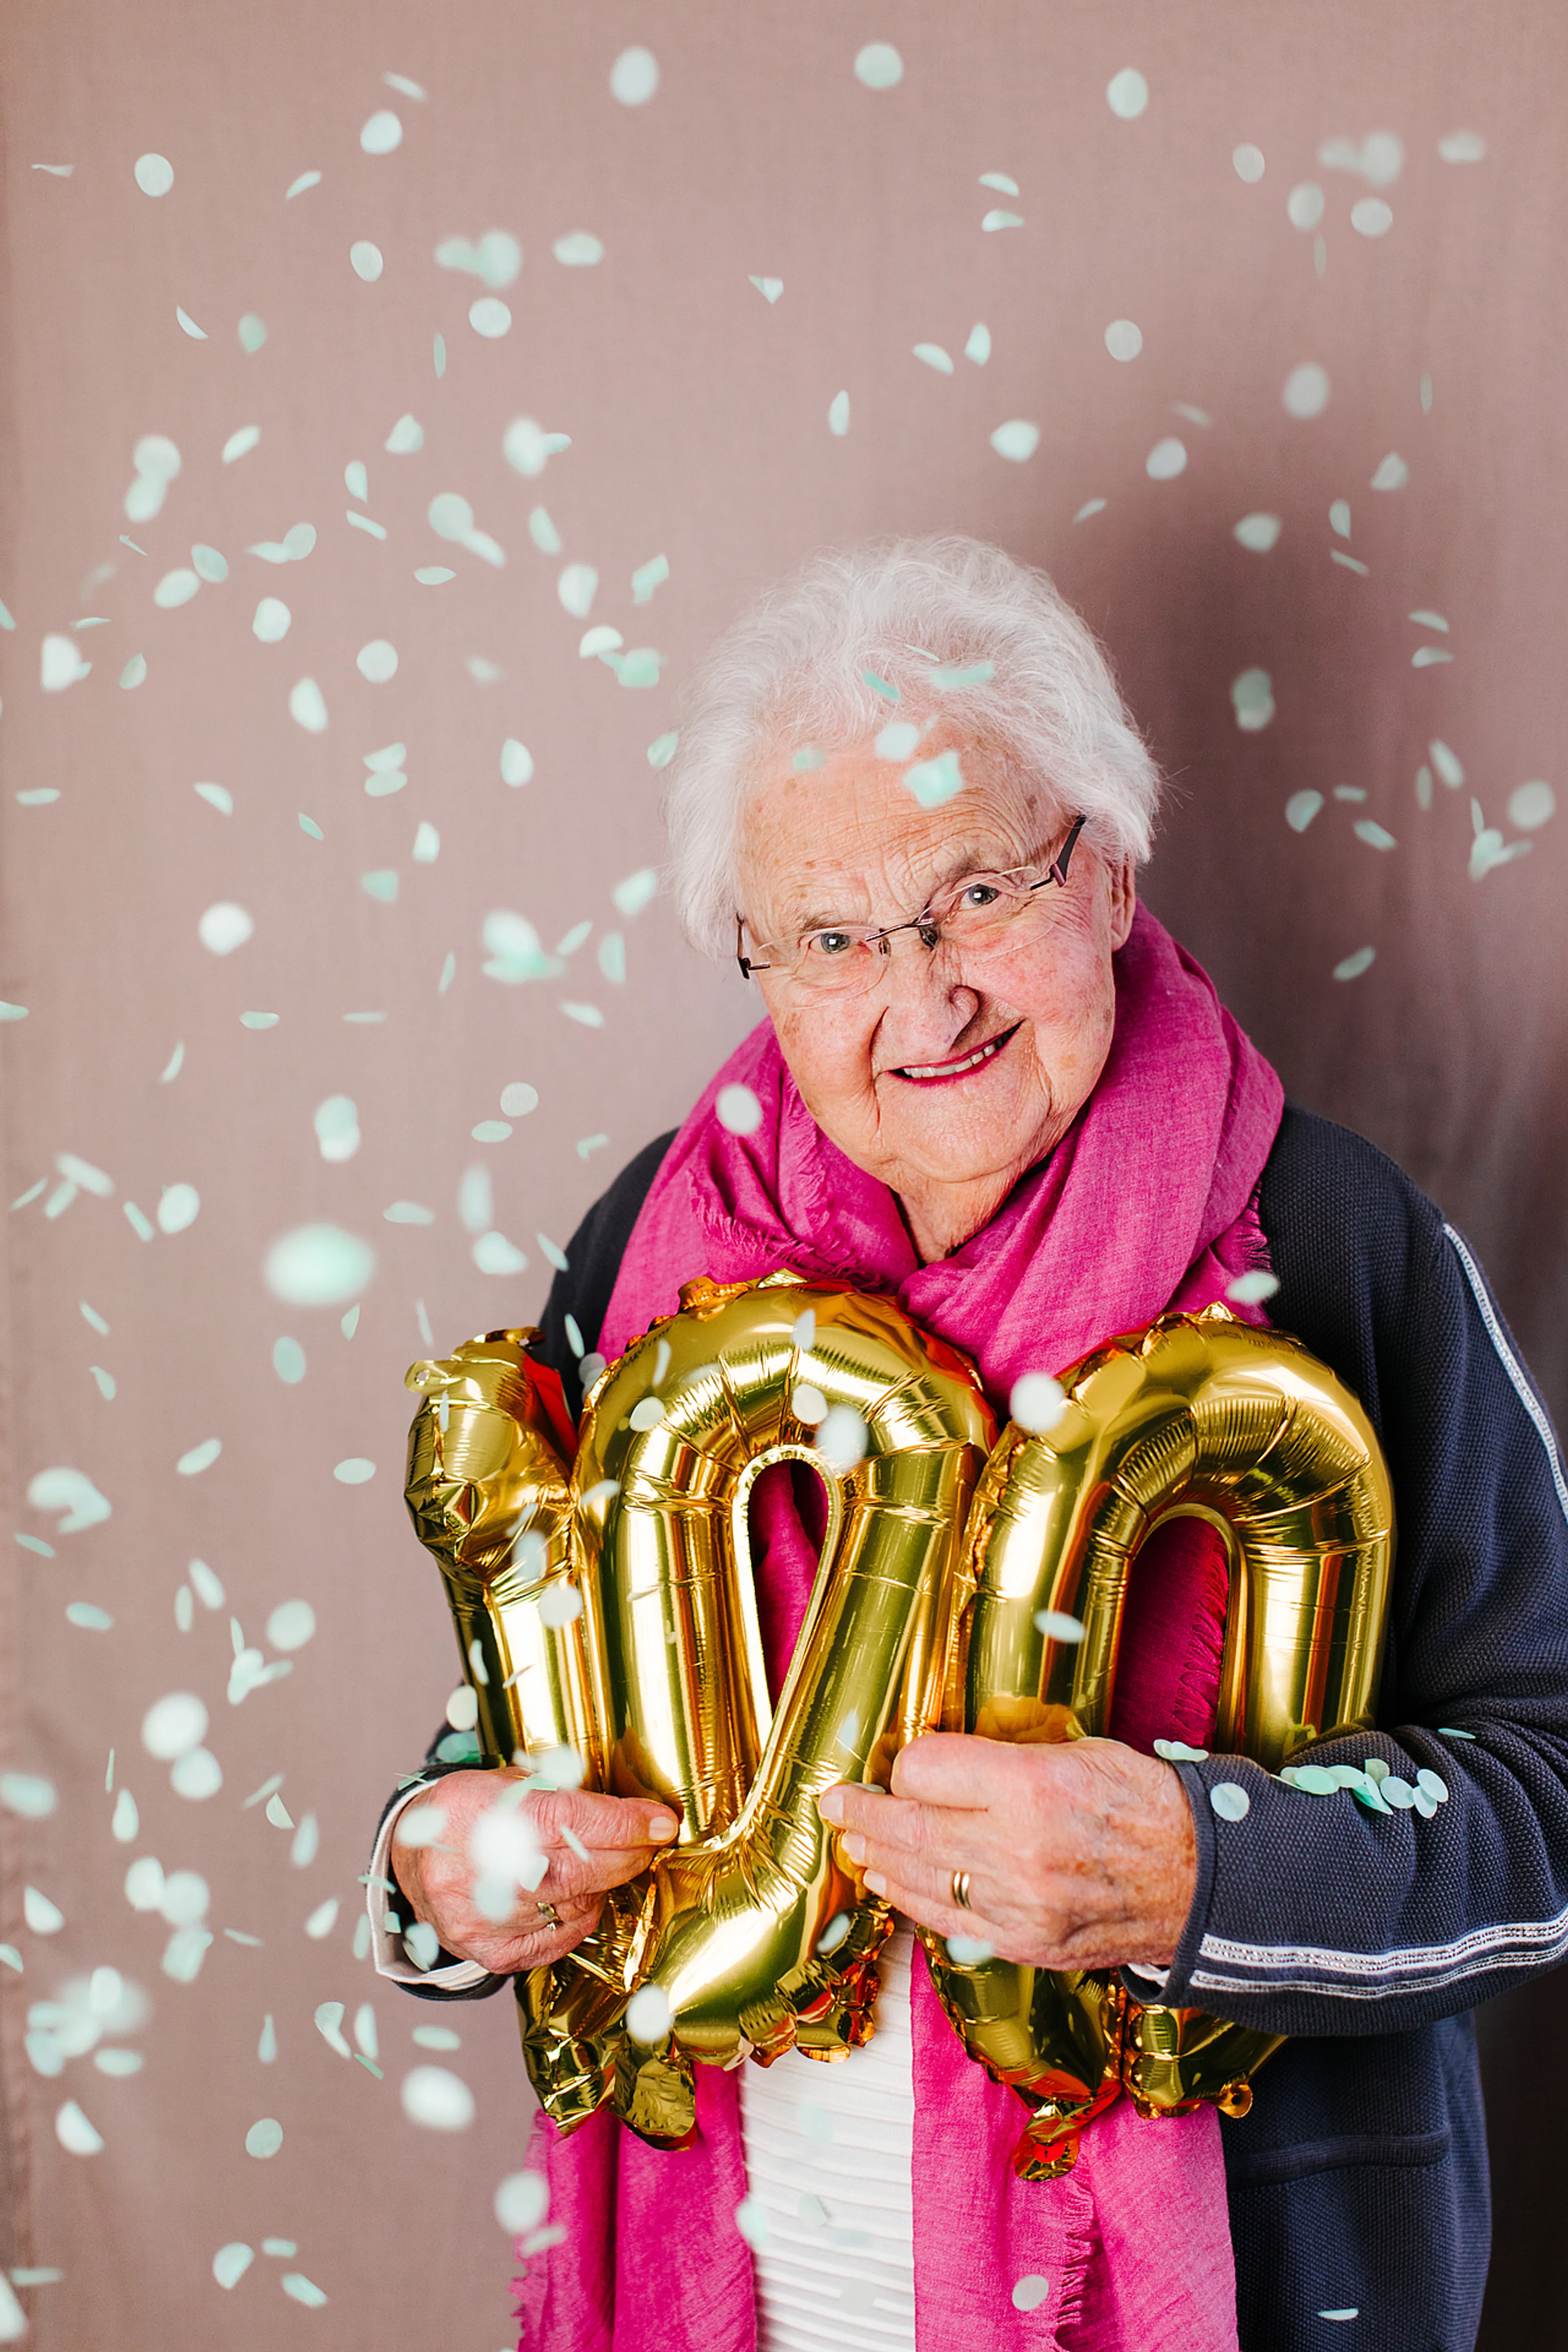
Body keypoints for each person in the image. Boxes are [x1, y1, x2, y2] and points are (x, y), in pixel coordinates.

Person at [370, 536, 1568, 2352]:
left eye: (981, 894)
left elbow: (1549, 1793)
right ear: (755, 957)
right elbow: (514, 1723)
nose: (924, 1002)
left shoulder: (1332, 1247)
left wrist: (1204, 1867)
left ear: (1110, 869)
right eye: (837, 938)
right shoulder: (641, 1253)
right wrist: (441, 1867)